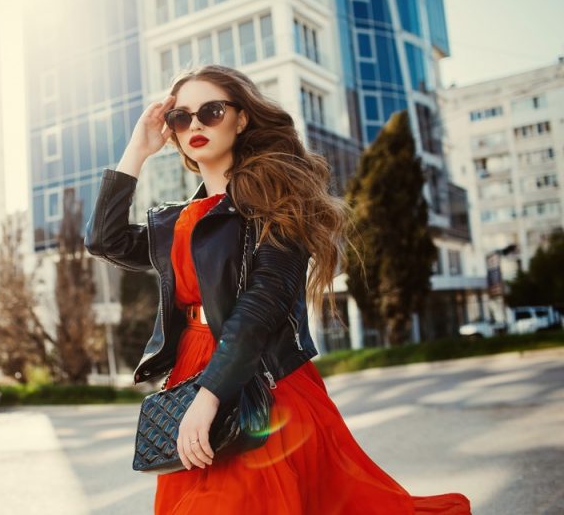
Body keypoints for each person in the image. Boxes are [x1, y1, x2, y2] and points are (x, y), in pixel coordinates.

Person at [84, 64, 471, 514]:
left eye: (210, 111)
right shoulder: (178, 221)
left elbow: (263, 303)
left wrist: (211, 396)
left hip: (261, 381)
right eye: (181, 117)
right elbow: (103, 241)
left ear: (242, 118)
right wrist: (138, 148)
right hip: (189, 378)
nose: (195, 125)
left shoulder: (277, 198)